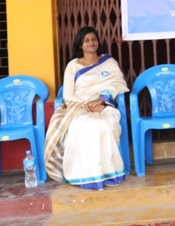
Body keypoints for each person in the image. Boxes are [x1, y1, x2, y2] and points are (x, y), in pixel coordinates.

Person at [45, 27, 129, 189]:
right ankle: (85, 175)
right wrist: (87, 105)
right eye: (86, 40)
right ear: (80, 45)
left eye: (94, 39)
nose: (91, 43)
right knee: (83, 125)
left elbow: (118, 83)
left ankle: (108, 172)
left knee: (106, 123)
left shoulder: (109, 62)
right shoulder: (73, 65)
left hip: (103, 104)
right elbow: (68, 94)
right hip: (79, 105)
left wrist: (101, 100)